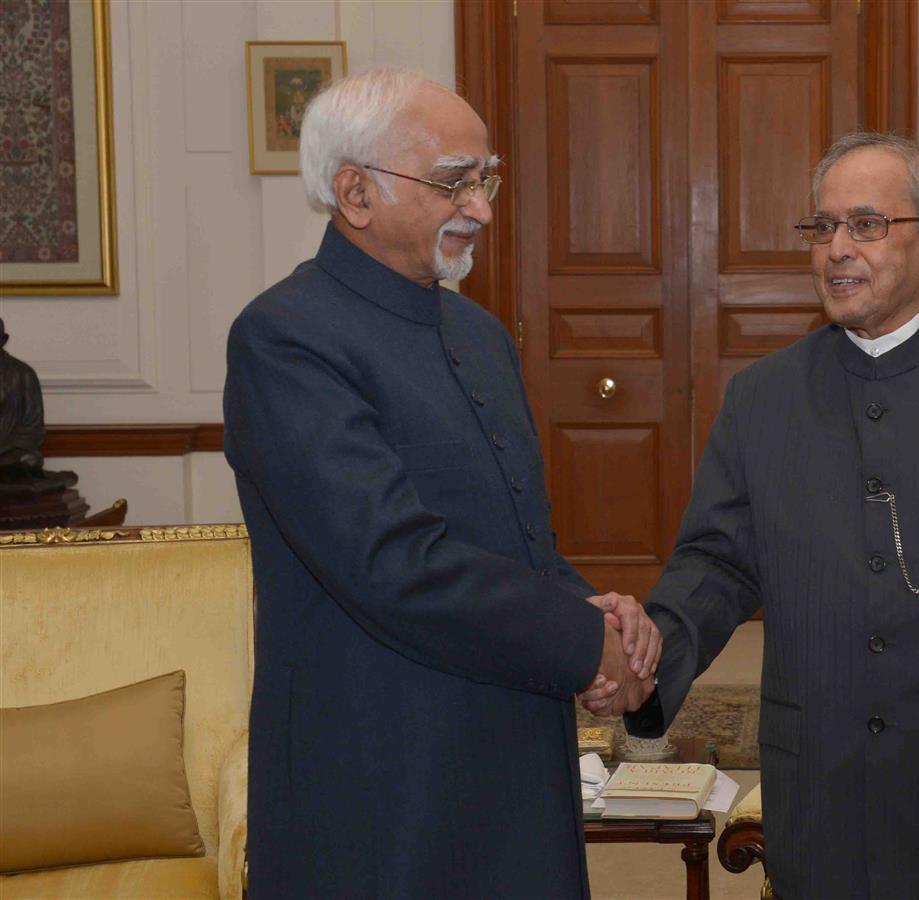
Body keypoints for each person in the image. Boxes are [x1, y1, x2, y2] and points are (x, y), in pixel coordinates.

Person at [592, 132, 919, 898]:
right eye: (823, 226)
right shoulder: (762, 401)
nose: (837, 248)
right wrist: (644, 663)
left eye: (866, 225)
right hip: (819, 797)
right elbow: (715, 567)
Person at [224, 68, 657, 899]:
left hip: (515, 742)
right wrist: (582, 643)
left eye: (484, 179)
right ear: (355, 193)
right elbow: (394, 563)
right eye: (453, 181)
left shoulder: (480, 334)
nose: (481, 209)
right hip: (381, 772)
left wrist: (599, 614)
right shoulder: (284, 339)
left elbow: (517, 541)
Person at [0, 319, 46, 473]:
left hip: (8, 452)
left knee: (30, 460)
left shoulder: (23, 374)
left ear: (4, 339)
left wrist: (9, 447)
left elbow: (33, 426)